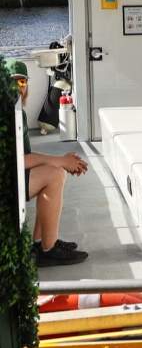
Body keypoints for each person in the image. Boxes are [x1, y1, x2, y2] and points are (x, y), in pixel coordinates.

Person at [7, 59, 89, 267]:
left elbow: (23, 156)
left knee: (53, 170)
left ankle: (40, 243)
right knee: (54, 174)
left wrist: (62, 162)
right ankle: (48, 249)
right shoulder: (7, 115)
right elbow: (18, 160)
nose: (17, 88)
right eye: (11, 82)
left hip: (9, 176)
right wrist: (62, 161)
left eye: (22, 82)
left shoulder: (17, 113)